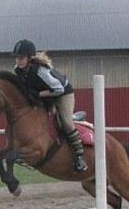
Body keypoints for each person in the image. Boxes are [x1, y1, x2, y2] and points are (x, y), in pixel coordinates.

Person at [12, 39, 88, 172]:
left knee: (66, 122)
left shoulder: (40, 70)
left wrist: (38, 95)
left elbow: (58, 89)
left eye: (21, 58)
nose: (18, 61)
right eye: (17, 58)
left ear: (30, 58)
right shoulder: (18, 70)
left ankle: (79, 157)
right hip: (46, 95)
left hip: (63, 94)